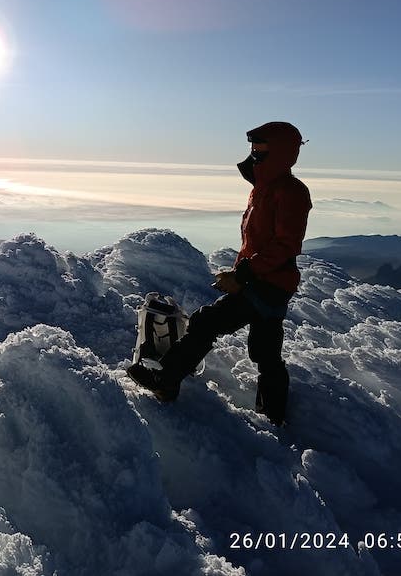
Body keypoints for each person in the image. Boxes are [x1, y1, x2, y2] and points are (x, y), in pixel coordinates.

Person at [127, 122, 312, 425]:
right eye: (253, 147)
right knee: (266, 352)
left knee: (207, 321)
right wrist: (243, 271)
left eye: (261, 148)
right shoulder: (265, 189)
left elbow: (285, 245)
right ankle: (275, 417)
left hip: (269, 283)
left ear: (280, 152)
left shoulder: (290, 192)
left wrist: (242, 276)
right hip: (264, 279)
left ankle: (167, 380)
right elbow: (261, 243)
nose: (254, 153)